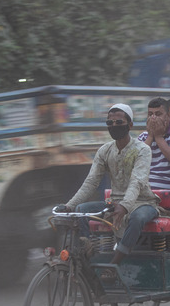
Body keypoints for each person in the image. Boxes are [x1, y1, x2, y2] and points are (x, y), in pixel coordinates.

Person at [56, 103, 160, 266]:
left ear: (130, 125)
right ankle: (87, 257)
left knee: (137, 218)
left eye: (119, 123)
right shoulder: (104, 151)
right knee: (80, 211)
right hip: (115, 202)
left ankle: (114, 265)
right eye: (110, 123)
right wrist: (69, 205)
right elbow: (91, 182)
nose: (114, 126)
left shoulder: (142, 150)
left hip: (143, 202)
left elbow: (137, 181)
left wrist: (125, 206)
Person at [137, 97, 170, 189]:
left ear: (168, 116)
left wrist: (158, 136)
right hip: (143, 189)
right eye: (150, 114)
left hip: (169, 192)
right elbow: (134, 162)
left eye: (158, 114)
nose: (153, 118)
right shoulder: (143, 136)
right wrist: (150, 136)